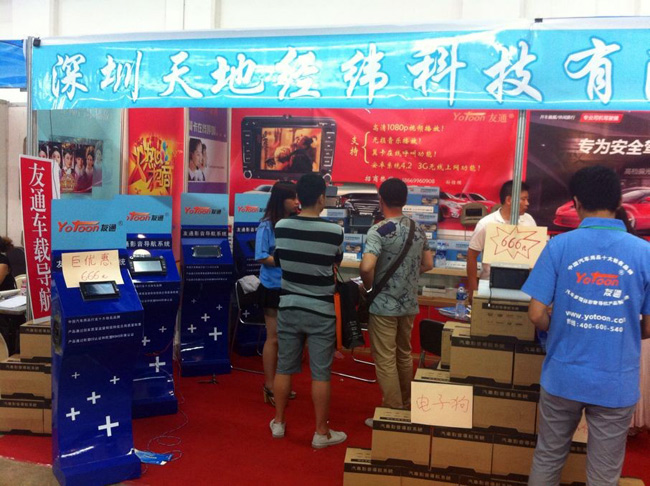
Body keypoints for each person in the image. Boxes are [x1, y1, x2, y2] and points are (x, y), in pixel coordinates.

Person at [522, 165, 650, 486]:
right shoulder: (645, 252)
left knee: (548, 456)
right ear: (618, 201)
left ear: (577, 203)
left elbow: (535, 314)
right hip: (615, 381)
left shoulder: (559, 246)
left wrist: (557, 327)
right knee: (604, 474)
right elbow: (649, 326)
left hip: (562, 376)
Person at [270, 173, 347, 449]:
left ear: (299, 198)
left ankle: (278, 422)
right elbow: (335, 261)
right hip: (321, 310)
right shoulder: (335, 231)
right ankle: (321, 433)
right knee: (321, 373)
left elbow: (280, 260)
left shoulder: (281, 226)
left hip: (289, 306)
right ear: (321, 198)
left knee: (284, 367)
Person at [359, 178, 433, 420]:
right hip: (409, 303)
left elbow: (366, 266)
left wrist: (370, 288)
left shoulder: (379, 230)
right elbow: (428, 264)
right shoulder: (418, 229)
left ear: (380, 200)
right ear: (405, 200)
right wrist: (407, 276)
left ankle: (392, 411)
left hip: (383, 305)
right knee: (404, 354)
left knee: (385, 358)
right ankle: (407, 402)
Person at [255, 181, 300, 405]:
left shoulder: (296, 222)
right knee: (273, 338)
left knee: (288, 339)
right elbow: (261, 256)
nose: (297, 202)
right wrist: (285, 261)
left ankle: (282, 383)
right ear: (281, 200)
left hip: (293, 286)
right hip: (272, 287)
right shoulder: (266, 226)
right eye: (292, 198)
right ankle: (270, 385)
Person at [466, 180, 536, 301]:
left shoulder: (529, 221)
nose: (527, 203)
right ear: (509, 200)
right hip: (490, 287)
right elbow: (471, 256)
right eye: (523, 199)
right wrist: (473, 290)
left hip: (523, 287)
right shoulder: (486, 224)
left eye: (527, 199)